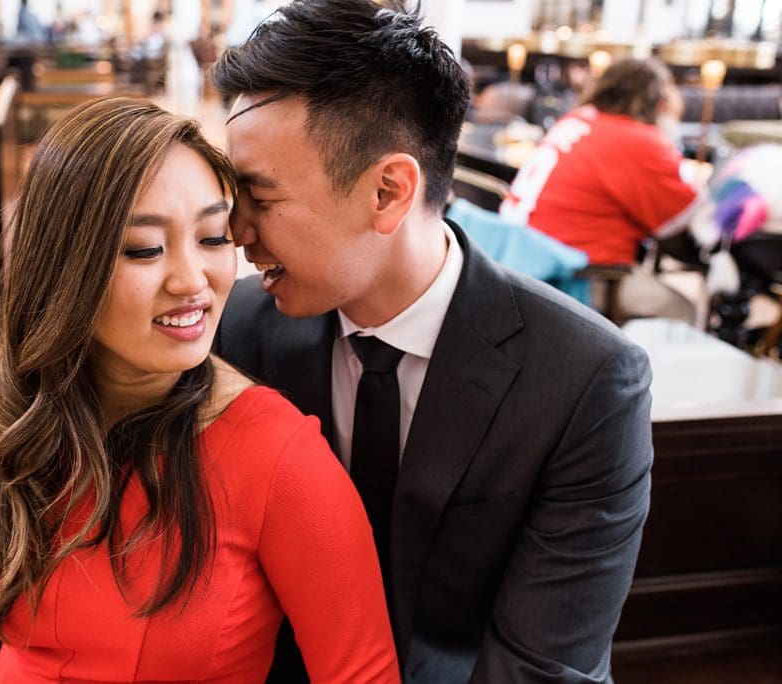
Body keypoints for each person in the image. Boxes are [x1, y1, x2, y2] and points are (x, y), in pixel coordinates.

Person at [211, 0, 653, 681]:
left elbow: (543, 665)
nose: (238, 234)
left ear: (388, 190)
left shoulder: (583, 378)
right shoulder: (233, 330)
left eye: (261, 200)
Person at [0, 97, 399, 683]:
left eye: (214, 238)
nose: (194, 281)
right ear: (64, 267)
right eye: (144, 249)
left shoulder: (278, 458)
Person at [499, 57, 704, 322]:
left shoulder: (575, 119)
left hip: (519, 259)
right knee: (682, 309)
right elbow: (682, 222)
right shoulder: (638, 139)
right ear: (661, 102)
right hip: (573, 277)